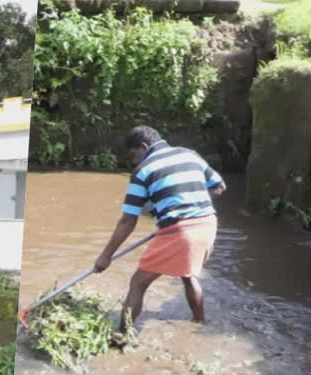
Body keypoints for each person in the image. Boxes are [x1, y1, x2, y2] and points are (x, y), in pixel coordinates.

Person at [94, 126, 226, 345]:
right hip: (208, 224)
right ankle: (199, 322)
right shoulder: (189, 154)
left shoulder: (143, 170)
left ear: (143, 148)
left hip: (180, 230)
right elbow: (220, 186)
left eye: (133, 155)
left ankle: (122, 335)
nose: (134, 161)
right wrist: (191, 206)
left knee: (138, 283)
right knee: (188, 274)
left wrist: (105, 256)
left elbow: (128, 220)